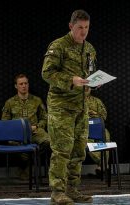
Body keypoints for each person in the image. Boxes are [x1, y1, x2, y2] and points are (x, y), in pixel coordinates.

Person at [42, 9, 96, 204]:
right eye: (80, 27)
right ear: (71, 26)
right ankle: (57, 192)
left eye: (87, 28)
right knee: (62, 150)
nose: (83, 32)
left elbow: (91, 72)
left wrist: (94, 81)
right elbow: (47, 73)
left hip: (82, 107)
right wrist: (70, 80)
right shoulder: (58, 46)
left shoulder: (89, 48)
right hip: (61, 107)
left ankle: (72, 190)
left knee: (79, 151)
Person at [1, 74, 51, 180]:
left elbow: (44, 118)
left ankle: (30, 161)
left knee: (48, 142)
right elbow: (4, 122)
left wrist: (37, 126)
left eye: (26, 83)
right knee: (15, 146)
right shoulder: (9, 102)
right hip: (16, 134)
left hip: (34, 131)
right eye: (21, 84)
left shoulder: (37, 100)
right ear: (16, 86)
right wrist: (14, 129)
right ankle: (26, 166)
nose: (24, 86)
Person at [85, 88, 111, 176]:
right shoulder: (74, 101)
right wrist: (87, 114)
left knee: (105, 137)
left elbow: (104, 116)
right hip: (83, 129)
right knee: (88, 143)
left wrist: (95, 115)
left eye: (88, 87)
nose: (86, 89)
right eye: (84, 86)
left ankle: (101, 167)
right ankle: (103, 165)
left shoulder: (97, 101)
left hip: (97, 127)